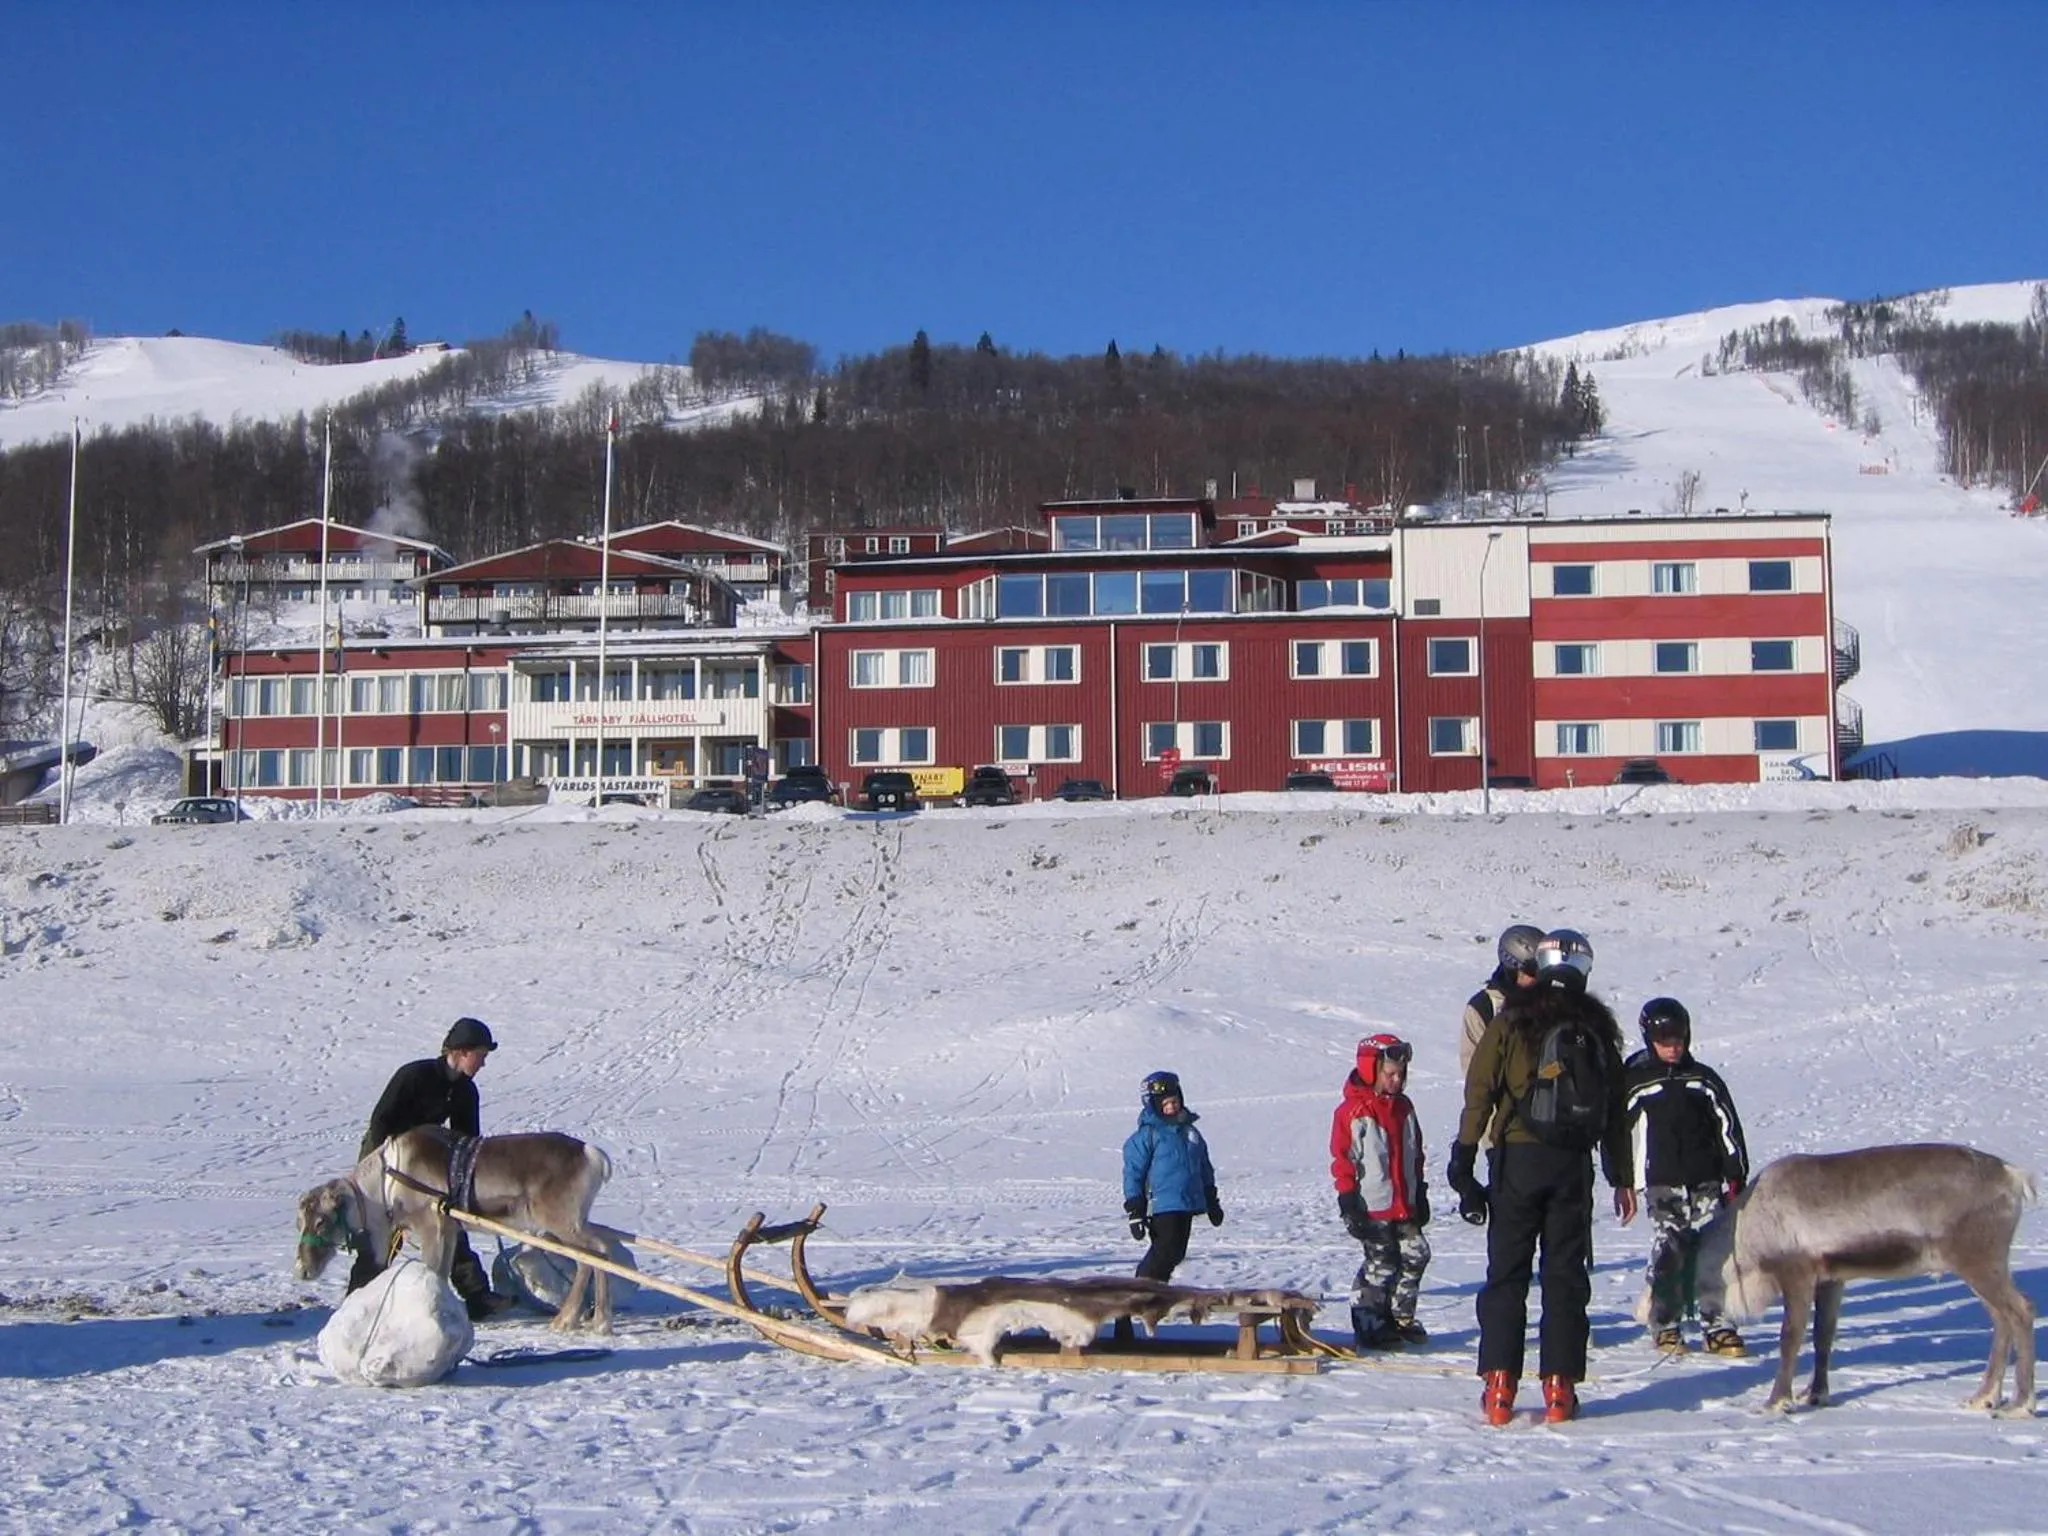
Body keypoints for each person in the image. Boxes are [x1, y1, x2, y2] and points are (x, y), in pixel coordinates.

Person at [1447, 929, 1636, 1426]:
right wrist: (1621, 1175)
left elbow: (1480, 1089)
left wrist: (1464, 1156)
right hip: (1573, 1165)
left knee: (1507, 1274)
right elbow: (1616, 1109)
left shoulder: (1512, 1018)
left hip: (1517, 1161)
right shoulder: (1596, 1025)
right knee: (1565, 1278)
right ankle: (1559, 1388)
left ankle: (1501, 1386)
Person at [349, 1016, 515, 1320]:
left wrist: (458, 1185)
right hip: (383, 1157)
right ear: (463, 1052)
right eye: (481, 1055)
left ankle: (477, 1296)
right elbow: (380, 1123)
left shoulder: (466, 1092)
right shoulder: (414, 1075)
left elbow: (466, 1143)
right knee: (381, 1232)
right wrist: (385, 1175)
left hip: (426, 1167)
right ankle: (357, 1299)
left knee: (446, 1218)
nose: (483, 1063)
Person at [1624, 997, 1751, 1356]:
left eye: (1678, 1040)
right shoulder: (1637, 1082)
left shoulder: (1703, 1080)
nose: (1672, 1047)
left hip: (1705, 1178)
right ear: (1650, 1040)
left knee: (1714, 1250)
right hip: (1662, 1180)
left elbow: (1727, 1127)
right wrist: (1622, 1181)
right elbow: (1617, 1135)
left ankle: (1719, 1324)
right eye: (1664, 1041)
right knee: (1672, 1248)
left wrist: (1735, 1172)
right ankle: (1665, 1323)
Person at [1330, 1033, 1432, 1349]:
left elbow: (1415, 1153)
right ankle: (1369, 1322)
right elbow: (1343, 1159)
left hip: (1404, 1201)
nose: (1397, 1080)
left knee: (1416, 1252)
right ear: (1372, 1069)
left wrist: (1421, 1193)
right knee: (1382, 1263)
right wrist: (1348, 1201)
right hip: (1371, 1204)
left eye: (1402, 1074)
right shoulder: (1352, 1112)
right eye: (1390, 1074)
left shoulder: (1404, 1107)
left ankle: (1400, 1317)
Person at [1121, 1070, 1223, 1290]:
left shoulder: (1191, 1133)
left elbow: (1204, 1167)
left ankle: (1155, 1294)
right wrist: (1135, 1210)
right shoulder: (1148, 1135)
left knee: (1176, 1254)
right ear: (1154, 1106)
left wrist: (1212, 1200)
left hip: (1186, 1202)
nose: (1172, 1107)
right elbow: (1133, 1173)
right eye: (1166, 1104)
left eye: (1175, 1101)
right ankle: (1135, 1295)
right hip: (1161, 1204)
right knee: (1165, 1251)